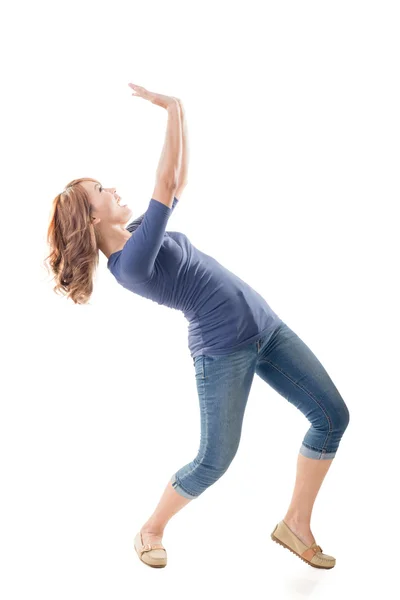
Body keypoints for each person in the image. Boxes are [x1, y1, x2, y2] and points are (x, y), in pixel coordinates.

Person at [44, 84, 350, 570]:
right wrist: (172, 108)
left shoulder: (140, 233)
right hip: (223, 350)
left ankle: (296, 522)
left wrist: (179, 112)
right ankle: (150, 529)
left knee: (332, 416)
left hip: (266, 327)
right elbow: (165, 183)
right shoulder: (130, 262)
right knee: (215, 460)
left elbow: (178, 182)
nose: (112, 189)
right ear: (92, 215)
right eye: (101, 190)